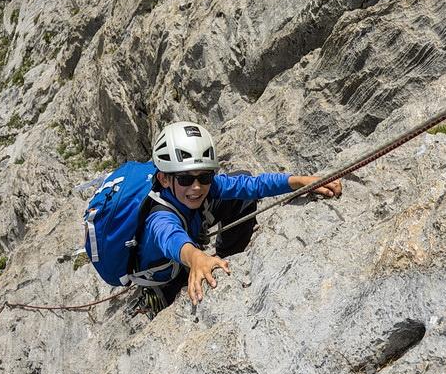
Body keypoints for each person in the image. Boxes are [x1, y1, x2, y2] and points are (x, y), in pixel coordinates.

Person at [132, 122, 342, 315]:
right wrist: (196, 258)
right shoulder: (159, 217)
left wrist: (298, 181)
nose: (196, 186)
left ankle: (227, 257)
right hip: (167, 273)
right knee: (171, 291)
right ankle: (156, 299)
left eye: (204, 176)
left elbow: (251, 185)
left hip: (189, 237)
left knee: (241, 195)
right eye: (186, 178)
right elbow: (171, 239)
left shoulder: (203, 188)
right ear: (164, 179)